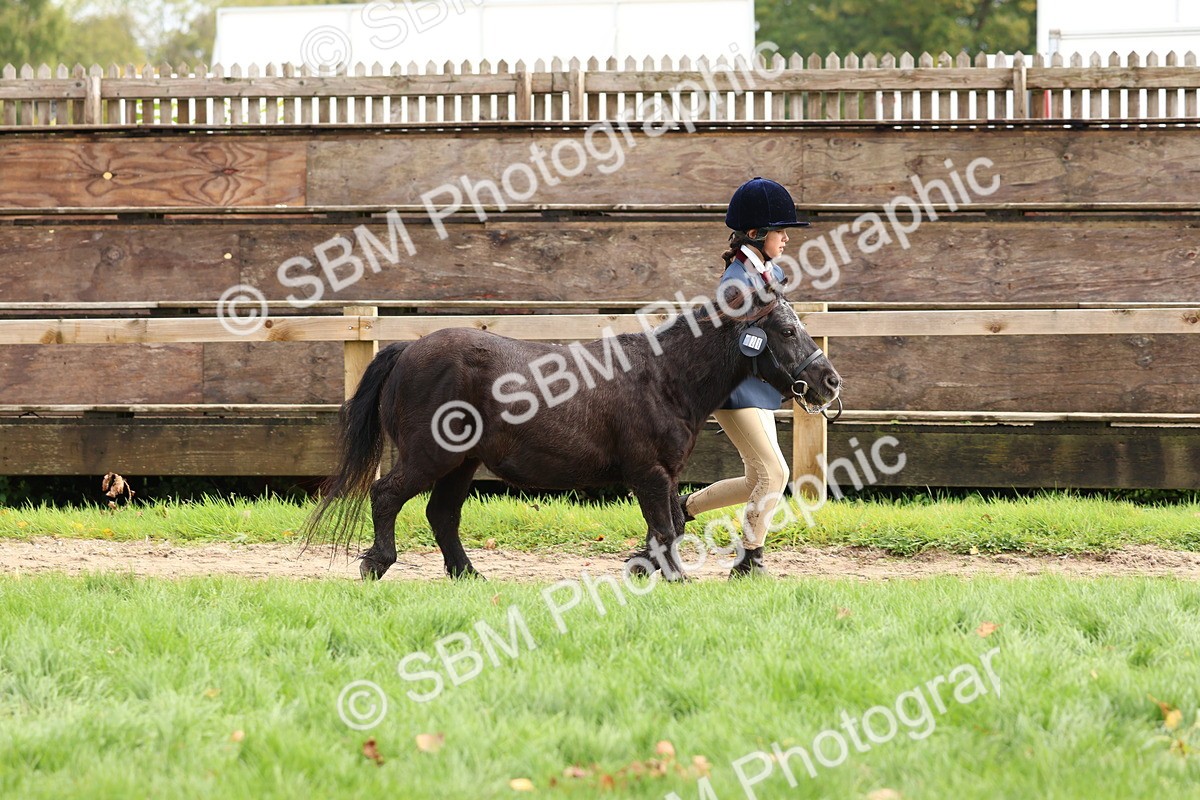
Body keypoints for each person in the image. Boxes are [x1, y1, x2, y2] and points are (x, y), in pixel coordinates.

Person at [679, 177, 811, 578]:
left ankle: (681, 509)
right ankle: (749, 559)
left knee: (758, 476)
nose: (786, 238)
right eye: (780, 231)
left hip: (759, 387)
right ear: (755, 234)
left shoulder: (769, 272)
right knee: (776, 473)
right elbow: (738, 341)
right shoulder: (735, 283)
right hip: (735, 388)